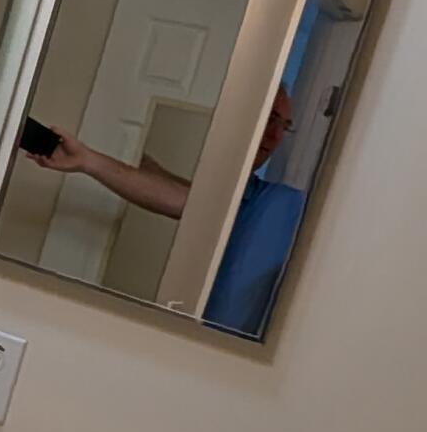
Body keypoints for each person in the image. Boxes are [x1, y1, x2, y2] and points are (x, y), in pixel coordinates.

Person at [31, 85, 304, 334]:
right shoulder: (247, 197)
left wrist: (90, 161)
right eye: (270, 119)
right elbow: (184, 198)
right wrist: (88, 161)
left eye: (285, 126)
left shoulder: (287, 205)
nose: (276, 136)